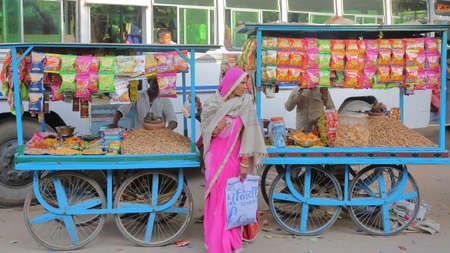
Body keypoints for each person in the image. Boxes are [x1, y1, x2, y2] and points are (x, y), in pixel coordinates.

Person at [201, 67, 267, 253]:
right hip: (214, 158)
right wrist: (215, 128)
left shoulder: (246, 103)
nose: (245, 86)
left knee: (230, 200)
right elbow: (206, 130)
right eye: (242, 83)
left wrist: (245, 161)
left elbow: (249, 133)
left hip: (234, 158)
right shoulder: (213, 103)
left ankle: (231, 242)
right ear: (232, 84)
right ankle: (215, 242)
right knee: (216, 199)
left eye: (246, 82)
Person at [108, 77, 177, 130]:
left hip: (158, 136)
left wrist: (167, 131)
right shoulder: (138, 95)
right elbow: (121, 110)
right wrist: (114, 123)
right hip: (140, 135)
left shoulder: (165, 100)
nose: (157, 86)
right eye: (155, 82)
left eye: (159, 83)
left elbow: (173, 121)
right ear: (149, 81)